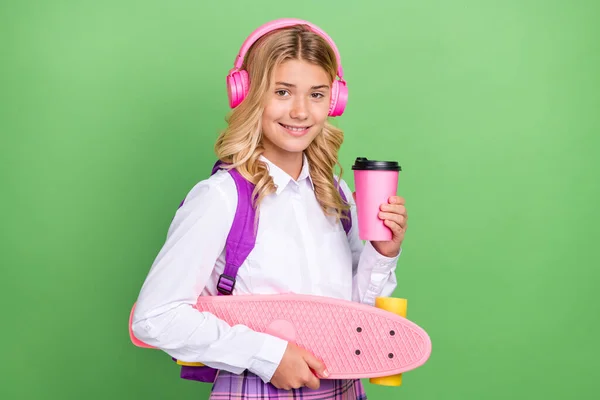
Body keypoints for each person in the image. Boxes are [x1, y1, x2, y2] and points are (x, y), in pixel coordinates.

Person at [131, 18, 409, 399]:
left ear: (335, 100)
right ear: (247, 94)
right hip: (256, 389)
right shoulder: (221, 197)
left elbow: (358, 322)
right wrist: (268, 355)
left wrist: (383, 253)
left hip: (345, 388)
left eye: (316, 94)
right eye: (282, 91)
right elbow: (154, 317)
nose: (300, 112)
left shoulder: (337, 194)